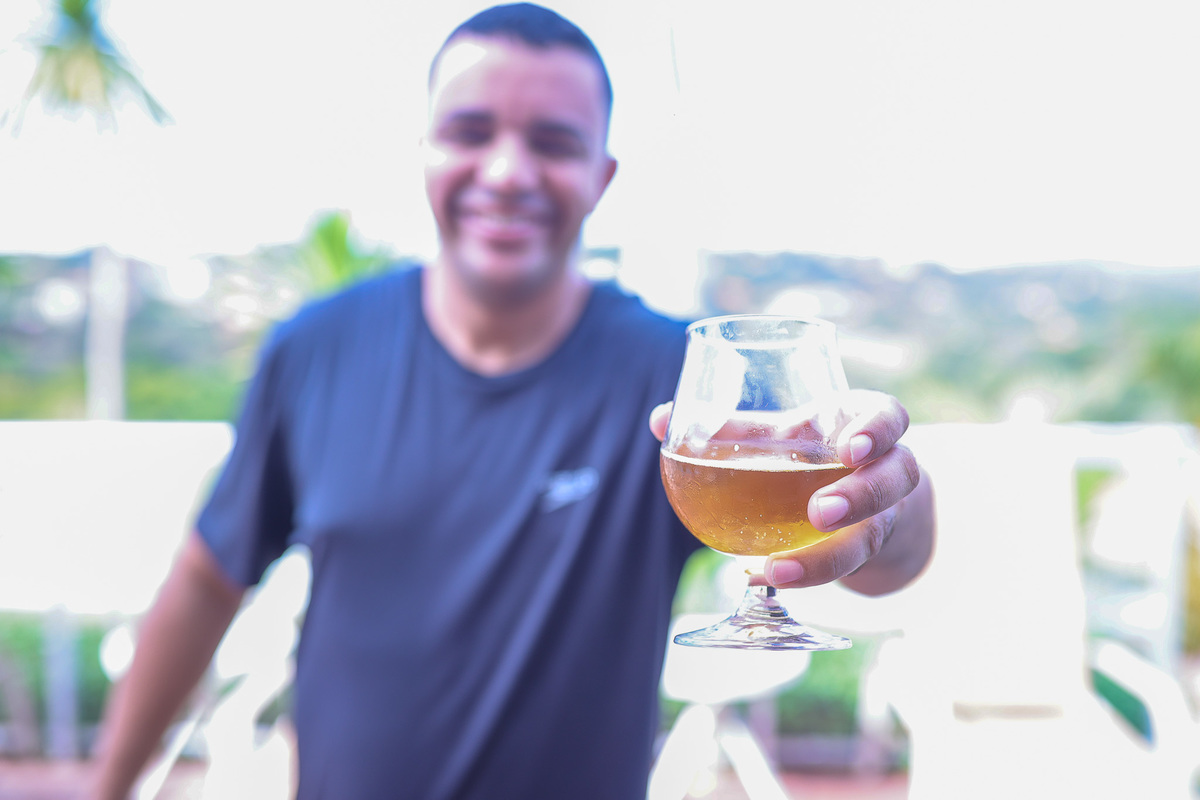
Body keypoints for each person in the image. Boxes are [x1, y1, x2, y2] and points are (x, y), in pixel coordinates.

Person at [91, 4, 934, 799]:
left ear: (601, 177)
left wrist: (885, 503)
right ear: (425, 151)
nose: (506, 173)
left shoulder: (671, 382)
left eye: (554, 143)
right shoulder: (315, 350)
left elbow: (892, 559)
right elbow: (207, 580)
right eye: (470, 132)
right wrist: (108, 789)